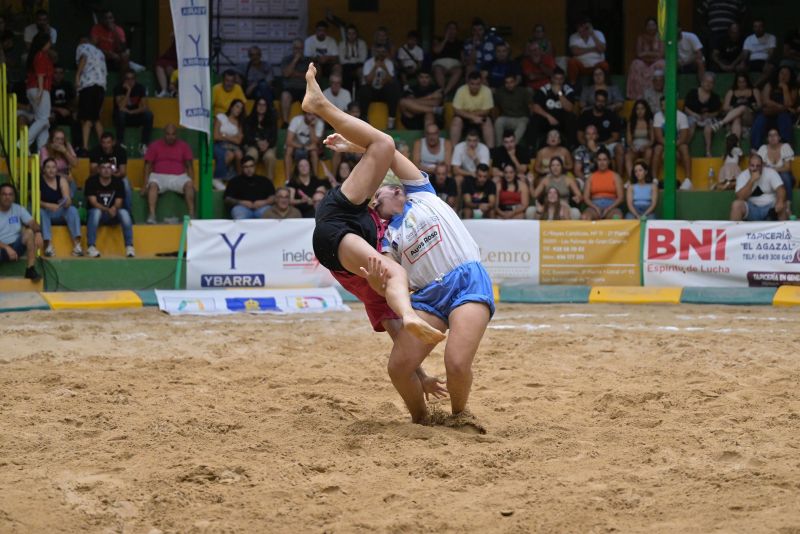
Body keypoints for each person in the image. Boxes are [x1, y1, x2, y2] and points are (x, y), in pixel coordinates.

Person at [302, 62, 445, 346]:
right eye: (395, 191)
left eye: (400, 192)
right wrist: (352, 147)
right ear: (377, 198)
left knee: (393, 274)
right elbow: (387, 154)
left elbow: (396, 335)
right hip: (345, 217)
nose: (401, 194)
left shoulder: (392, 242)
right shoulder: (382, 205)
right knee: (384, 144)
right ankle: (319, 104)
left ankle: (409, 316)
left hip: (339, 244)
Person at [364, 147, 494, 429]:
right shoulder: (387, 237)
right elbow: (389, 284)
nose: (372, 203)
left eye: (376, 196)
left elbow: (388, 149)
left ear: (396, 190)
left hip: (466, 281)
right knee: (398, 368)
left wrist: (359, 147)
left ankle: (459, 416)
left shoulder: (422, 194)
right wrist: (376, 281)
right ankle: (421, 419)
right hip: (428, 296)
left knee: (456, 364)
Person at [144, 124, 196, 224]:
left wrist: (192, 182)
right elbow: (147, 165)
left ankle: (191, 215)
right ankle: (152, 215)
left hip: (179, 176)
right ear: (164, 134)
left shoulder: (184, 146)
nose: (170, 137)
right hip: (159, 176)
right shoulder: (154, 145)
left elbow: (189, 166)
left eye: (173, 134)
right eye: (168, 134)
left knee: (189, 185)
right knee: (153, 185)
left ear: (177, 134)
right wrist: (145, 184)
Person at [85, 158, 134, 257]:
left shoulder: (118, 182)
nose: (106, 170)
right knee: (96, 212)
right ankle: (91, 246)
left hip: (113, 214)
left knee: (124, 213)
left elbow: (119, 202)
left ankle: (129, 246)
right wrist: (108, 209)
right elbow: (93, 202)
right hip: (98, 215)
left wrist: (114, 208)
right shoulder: (91, 181)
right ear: (98, 170)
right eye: (103, 167)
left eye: (109, 167)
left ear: (112, 170)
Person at [39, 158, 82, 257]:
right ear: (44, 169)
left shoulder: (61, 180)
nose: (51, 170)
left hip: (60, 209)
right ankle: (48, 246)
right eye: (48, 167)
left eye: (53, 167)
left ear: (56, 169)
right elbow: (36, 201)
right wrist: (48, 205)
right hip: (46, 210)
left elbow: (67, 198)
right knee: (41, 212)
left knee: (72, 210)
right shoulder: (39, 180)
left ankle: (77, 246)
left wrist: (66, 202)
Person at [0, 183, 42, 281]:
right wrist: (6, 247)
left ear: (14, 197)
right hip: (1, 247)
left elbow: (32, 222)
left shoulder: (18, 209)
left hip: (16, 247)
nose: (7, 197)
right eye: (4, 194)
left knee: (29, 232)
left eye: (10, 194)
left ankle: (30, 270)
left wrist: (38, 232)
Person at [577, 89, 624, 171]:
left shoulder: (611, 115)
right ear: (594, 101)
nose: (600, 103)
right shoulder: (585, 115)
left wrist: (601, 144)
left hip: (607, 144)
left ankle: (618, 175)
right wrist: (588, 145)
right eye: (598, 101)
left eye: (603, 101)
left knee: (619, 148)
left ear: (606, 102)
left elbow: (615, 137)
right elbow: (580, 136)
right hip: (588, 144)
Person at [75, 33, 107, 153]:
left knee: (87, 119)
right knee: (96, 118)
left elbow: (84, 58)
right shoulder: (100, 52)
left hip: (89, 85)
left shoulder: (83, 47)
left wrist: (77, 76)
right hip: (101, 87)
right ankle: (105, 147)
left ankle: (85, 147)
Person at [751, 66, 797, 150]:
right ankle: (755, 148)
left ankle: (786, 147)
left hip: (784, 115)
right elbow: (766, 101)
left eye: (787, 74)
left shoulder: (792, 88)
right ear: (778, 74)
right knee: (760, 119)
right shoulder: (770, 84)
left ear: (790, 76)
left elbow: (789, 103)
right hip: (769, 112)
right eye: (782, 73)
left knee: (784, 117)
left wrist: (785, 88)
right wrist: (781, 107)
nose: (784, 76)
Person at [730, 154, 786, 221]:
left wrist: (780, 201)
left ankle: (783, 228)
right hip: (751, 209)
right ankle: (736, 228)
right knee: (736, 205)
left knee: (782, 204)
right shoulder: (742, 176)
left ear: (762, 166)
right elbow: (740, 197)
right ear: (748, 166)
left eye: (758, 166)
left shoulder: (771, 172)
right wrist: (751, 180)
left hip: (770, 208)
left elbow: (780, 189)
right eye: (752, 165)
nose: (755, 168)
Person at [531, 68, 577, 149]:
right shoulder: (544, 89)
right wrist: (548, 117)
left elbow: (569, 108)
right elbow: (535, 107)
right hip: (547, 119)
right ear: (552, 79)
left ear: (564, 80)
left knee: (572, 118)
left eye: (561, 79)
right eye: (556, 78)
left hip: (562, 121)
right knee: (535, 119)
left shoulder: (568, 90)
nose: (558, 81)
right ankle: (532, 147)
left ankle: (571, 147)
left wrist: (559, 93)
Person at [358, 44, 401, 129]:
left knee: (393, 89)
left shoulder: (389, 63)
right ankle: (364, 118)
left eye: (383, 52)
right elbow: (368, 80)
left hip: (383, 91)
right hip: (371, 90)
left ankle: (391, 120)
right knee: (364, 90)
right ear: (375, 52)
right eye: (378, 52)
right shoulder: (368, 63)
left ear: (386, 53)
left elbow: (391, 80)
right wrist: (375, 67)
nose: (381, 54)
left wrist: (384, 67)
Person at [653, 96, 693, 187]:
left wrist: (674, 145)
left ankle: (688, 180)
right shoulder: (657, 116)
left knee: (684, 147)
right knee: (657, 148)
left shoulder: (681, 116)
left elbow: (683, 137)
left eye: (666, 105)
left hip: (678, 144)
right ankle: (654, 180)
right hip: (664, 145)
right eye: (662, 105)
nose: (664, 108)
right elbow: (659, 137)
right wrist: (669, 146)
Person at [89, 132, 133, 214]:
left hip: (116, 177)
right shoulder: (95, 151)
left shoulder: (121, 151)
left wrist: (109, 174)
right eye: (103, 143)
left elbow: (123, 172)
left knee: (126, 183)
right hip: (100, 178)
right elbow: (92, 171)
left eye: (108, 142)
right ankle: (90, 210)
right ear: (100, 143)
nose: (106, 146)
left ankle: (128, 212)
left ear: (113, 142)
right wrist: (104, 171)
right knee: (89, 182)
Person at [757, 128, 796, 217]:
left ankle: (788, 207)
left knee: (785, 175)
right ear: (767, 138)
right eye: (770, 135)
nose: (772, 137)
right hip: (769, 178)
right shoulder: (763, 149)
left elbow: (787, 168)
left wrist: (772, 169)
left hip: (785, 178)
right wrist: (773, 171)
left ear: (779, 137)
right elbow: (761, 167)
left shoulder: (785, 147)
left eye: (775, 135)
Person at [25, 32, 53, 152]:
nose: (50, 44)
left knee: (43, 122)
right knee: (44, 119)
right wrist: (41, 90)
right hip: (40, 89)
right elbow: (40, 74)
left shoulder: (35, 55)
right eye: (49, 42)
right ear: (44, 43)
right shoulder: (41, 55)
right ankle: (23, 143)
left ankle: (42, 152)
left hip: (33, 88)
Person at [451, 71, 495, 147]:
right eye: (472, 84)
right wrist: (473, 117)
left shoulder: (487, 91)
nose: (475, 86)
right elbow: (456, 110)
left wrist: (472, 116)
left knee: (487, 121)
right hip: (464, 118)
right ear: (468, 83)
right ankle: (453, 149)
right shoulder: (461, 90)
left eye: (477, 84)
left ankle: (491, 151)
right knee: (456, 121)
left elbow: (486, 111)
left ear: (481, 83)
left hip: (480, 117)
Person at [684, 72, 723, 157]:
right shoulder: (692, 93)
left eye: (711, 82)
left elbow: (717, 112)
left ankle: (708, 151)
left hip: (707, 119)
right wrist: (694, 114)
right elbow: (686, 108)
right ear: (702, 82)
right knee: (691, 123)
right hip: (693, 116)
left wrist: (709, 115)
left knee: (709, 126)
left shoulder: (715, 97)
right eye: (706, 81)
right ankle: (684, 148)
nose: (708, 84)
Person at [113, 69, 153, 151]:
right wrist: (129, 91)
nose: (130, 81)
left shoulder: (140, 88)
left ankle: (144, 144)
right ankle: (120, 142)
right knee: (120, 114)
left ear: (135, 79)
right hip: (122, 118)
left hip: (135, 115)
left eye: (132, 78)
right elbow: (121, 107)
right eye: (127, 79)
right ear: (124, 80)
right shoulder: (118, 88)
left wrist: (131, 112)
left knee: (149, 115)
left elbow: (145, 107)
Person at [627, 17, 665, 100]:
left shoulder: (661, 37)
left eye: (653, 25)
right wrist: (651, 55)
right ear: (646, 27)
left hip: (656, 62)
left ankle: (661, 94)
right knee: (635, 64)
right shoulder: (641, 37)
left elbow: (661, 54)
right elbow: (639, 54)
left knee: (662, 63)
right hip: (644, 63)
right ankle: (638, 96)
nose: (651, 27)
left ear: (656, 26)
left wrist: (646, 54)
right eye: (649, 25)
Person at [581, 148, 624, 220]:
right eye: (599, 160)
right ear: (596, 161)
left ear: (609, 161)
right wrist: (596, 207)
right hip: (594, 205)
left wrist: (608, 208)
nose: (602, 162)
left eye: (604, 160)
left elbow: (621, 197)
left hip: (611, 205)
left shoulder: (615, 176)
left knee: (617, 217)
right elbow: (586, 198)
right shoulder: (591, 177)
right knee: (585, 217)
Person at [714, 72, 761, 139]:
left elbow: (760, 106)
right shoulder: (731, 92)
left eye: (743, 82)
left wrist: (753, 105)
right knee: (737, 118)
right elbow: (725, 108)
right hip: (734, 117)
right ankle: (736, 143)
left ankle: (721, 123)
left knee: (743, 107)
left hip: (749, 117)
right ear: (736, 82)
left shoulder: (754, 90)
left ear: (747, 81)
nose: (742, 84)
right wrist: (736, 106)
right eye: (739, 82)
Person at [243, 97, 278, 182]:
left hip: (268, 146)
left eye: (264, 105)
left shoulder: (272, 120)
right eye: (259, 104)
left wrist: (267, 144)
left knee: (270, 157)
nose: (261, 107)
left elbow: (274, 137)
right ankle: (248, 182)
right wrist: (257, 142)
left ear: (267, 107)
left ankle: (269, 183)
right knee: (251, 155)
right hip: (252, 145)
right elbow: (247, 137)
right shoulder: (249, 120)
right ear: (256, 106)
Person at [213, 99, 245, 189]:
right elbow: (216, 136)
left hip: (233, 146)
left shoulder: (239, 123)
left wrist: (224, 135)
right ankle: (217, 178)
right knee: (230, 155)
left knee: (239, 154)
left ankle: (240, 180)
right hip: (219, 144)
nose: (239, 110)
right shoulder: (221, 117)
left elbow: (238, 141)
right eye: (237, 106)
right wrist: (232, 138)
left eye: (241, 108)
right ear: (231, 107)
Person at [284, 111, 324, 182]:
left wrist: (312, 127)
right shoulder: (296, 120)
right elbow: (289, 141)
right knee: (289, 149)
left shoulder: (319, 123)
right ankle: (288, 180)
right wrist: (303, 147)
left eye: (314, 114)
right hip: (296, 145)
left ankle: (315, 179)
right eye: (309, 114)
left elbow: (315, 144)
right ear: (304, 114)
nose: (312, 117)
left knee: (314, 152)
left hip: (309, 147)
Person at [567, 18, 608, 85]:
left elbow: (601, 49)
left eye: (585, 29)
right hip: (581, 65)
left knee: (605, 65)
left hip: (597, 64)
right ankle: (572, 85)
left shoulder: (598, 33)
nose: (582, 31)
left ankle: (603, 86)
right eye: (580, 29)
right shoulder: (573, 36)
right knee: (571, 62)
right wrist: (593, 49)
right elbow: (575, 51)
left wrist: (593, 35)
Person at [280, 39, 312, 126]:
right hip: (290, 88)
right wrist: (295, 60)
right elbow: (286, 74)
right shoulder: (286, 60)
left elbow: (310, 76)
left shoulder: (308, 61)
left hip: (304, 88)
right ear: (293, 49)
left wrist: (295, 74)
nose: (298, 51)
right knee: (285, 95)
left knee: (309, 97)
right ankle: (285, 123)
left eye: (300, 48)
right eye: (296, 48)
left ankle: (309, 123)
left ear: (303, 49)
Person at [494, 74, 531, 147]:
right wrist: (495, 117)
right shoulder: (500, 92)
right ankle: (499, 147)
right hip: (506, 117)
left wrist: (530, 117)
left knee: (522, 124)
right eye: (507, 82)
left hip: (521, 117)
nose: (509, 85)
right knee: (498, 121)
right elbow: (495, 107)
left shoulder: (523, 91)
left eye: (511, 82)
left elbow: (530, 106)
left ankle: (510, 146)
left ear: (515, 82)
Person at [39, 128, 78, 196]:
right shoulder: (45, 149)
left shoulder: (67, 146)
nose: (60, 141)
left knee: (72, 184)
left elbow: (75, 163)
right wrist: (62, 176)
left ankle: (67, 200)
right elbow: (44, 168)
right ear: (52, 140)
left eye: (62, 139)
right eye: (57, 139)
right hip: (49, 176)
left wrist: (65, 152)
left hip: (66, 177)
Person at [624, 99, 655, 180]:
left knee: (649, 152)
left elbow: (652, 140)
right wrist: (632, 147)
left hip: (646, 146)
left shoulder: (649, 122)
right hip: (634, 146)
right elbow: (629, 140)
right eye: (637, 109)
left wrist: (645, 146)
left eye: (642, 108)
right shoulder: (631, 122)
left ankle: (645, 177)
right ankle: (632, 179)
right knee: (627, 156)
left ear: (646, 110)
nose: (640, 111)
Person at [431, 21, 463, 97]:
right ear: (446, 30)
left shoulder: (459, 43)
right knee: (438, 69)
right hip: (440, 64)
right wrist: (445, 39)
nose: (451, 31)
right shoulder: (439, 40)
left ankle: (445, 92)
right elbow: (436, 51)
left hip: (454, 65)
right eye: (449, 28)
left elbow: (462, 57)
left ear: (456, 31)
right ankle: (442, 89)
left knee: (459, 70)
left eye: (454, 29)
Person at [743, 18, 776, 87]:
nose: (758, 29)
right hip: (752, 62)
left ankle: (754, 86)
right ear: (753, 28)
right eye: (755, 26)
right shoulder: (749, 39)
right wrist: (744, 62)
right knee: (740, 68)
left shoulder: (771, 37)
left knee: (770, 68)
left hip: (764, 61)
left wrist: (767, 63)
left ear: (764, 27)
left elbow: (771, 53)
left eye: (760, 26)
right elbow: (745, 53)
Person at [49, 64, 78, 140]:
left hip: (67, 112)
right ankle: (52, 143)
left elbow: (73, 101)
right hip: (53, 112)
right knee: (50, 119)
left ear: (63, 74)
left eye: (61, 73)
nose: (58, 75)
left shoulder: (67, 85)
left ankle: (77, 145)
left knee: (77, 119)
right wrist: (59, 109)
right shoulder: (48, 86)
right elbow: (45, 106)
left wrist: (72, 110)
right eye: (56, 73)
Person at [338, 25, 367, 94]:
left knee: (361, 71)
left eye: (353, 33)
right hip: (346, 66)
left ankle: (361, 94)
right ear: (346, 35)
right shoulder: (342, 44)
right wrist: (354, 60)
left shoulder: (362, 44)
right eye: (349, 33)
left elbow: (363, 59)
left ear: (356, 34)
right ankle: (346, 95)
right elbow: (342, 60)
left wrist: (350, 60)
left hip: (359, 65)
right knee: (344, 72)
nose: (351, 36)